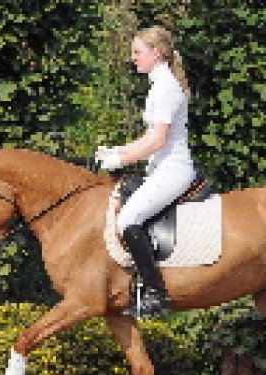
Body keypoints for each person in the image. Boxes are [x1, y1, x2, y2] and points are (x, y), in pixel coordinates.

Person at [95, 25, 197, 317]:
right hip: (160, 170)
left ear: (157, 53)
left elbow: (158, 140)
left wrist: (121, 161)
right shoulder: (158, 85)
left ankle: (156, 294)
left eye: (137, 52)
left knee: (128, 220)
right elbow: (148, 137)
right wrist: (117, 151)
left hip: (173, 171)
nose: (132, 58)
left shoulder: (166, 89)